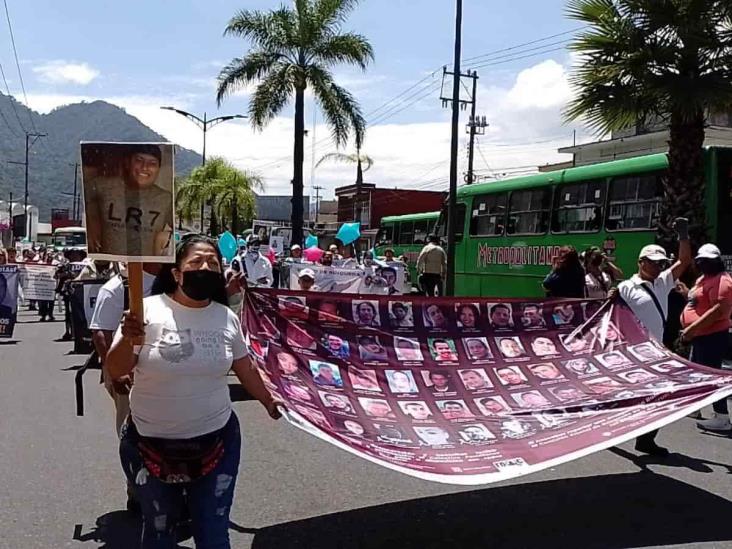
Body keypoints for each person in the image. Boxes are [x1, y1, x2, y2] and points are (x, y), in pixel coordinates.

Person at [105, 235, 282, 547]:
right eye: (196, 261)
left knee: (213, 532)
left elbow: (245, 369)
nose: (205, 268)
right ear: (177, 273)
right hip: (149, 447)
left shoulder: (225, 317)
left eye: (213, 263)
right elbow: (116, 370)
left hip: (217, 445)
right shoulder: (143, 311)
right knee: (160, 530)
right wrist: (126, 339)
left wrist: (270, 401)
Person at [616, 217, 691, 456]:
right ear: (641, 262)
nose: (659, 267)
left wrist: (683, 235)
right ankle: (613, 428)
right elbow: (610, 315)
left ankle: (646, 439)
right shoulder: (627, 287)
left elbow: (684, 261)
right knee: (629, 395)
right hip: (632, 354)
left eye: (661, 263)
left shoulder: (662, 282)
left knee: (661, 396)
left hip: (657, 352)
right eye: (654, 263)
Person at [84, 143, 173, 257]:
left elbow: (179, 231)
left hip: (144, 269)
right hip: (108, 265)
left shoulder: (166, 199)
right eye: (139, 160)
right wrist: (89, 226)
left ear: (158, 169)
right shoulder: (103, 186)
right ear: (127, 163)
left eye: (152, 163)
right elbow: (84, 198)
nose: (145, 167)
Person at [679, 244, 732, 432]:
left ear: (716, 261)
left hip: (712, 336)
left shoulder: (722, 281)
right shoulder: (704, 278)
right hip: (701, 335)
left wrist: (692, 328)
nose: (704, 264)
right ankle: (695, 406)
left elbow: (719, 311)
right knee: (696, 373)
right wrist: (686, 291)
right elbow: (698, 301)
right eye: (702, 261)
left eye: (708, 261)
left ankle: (722, 416)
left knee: (712, 377)